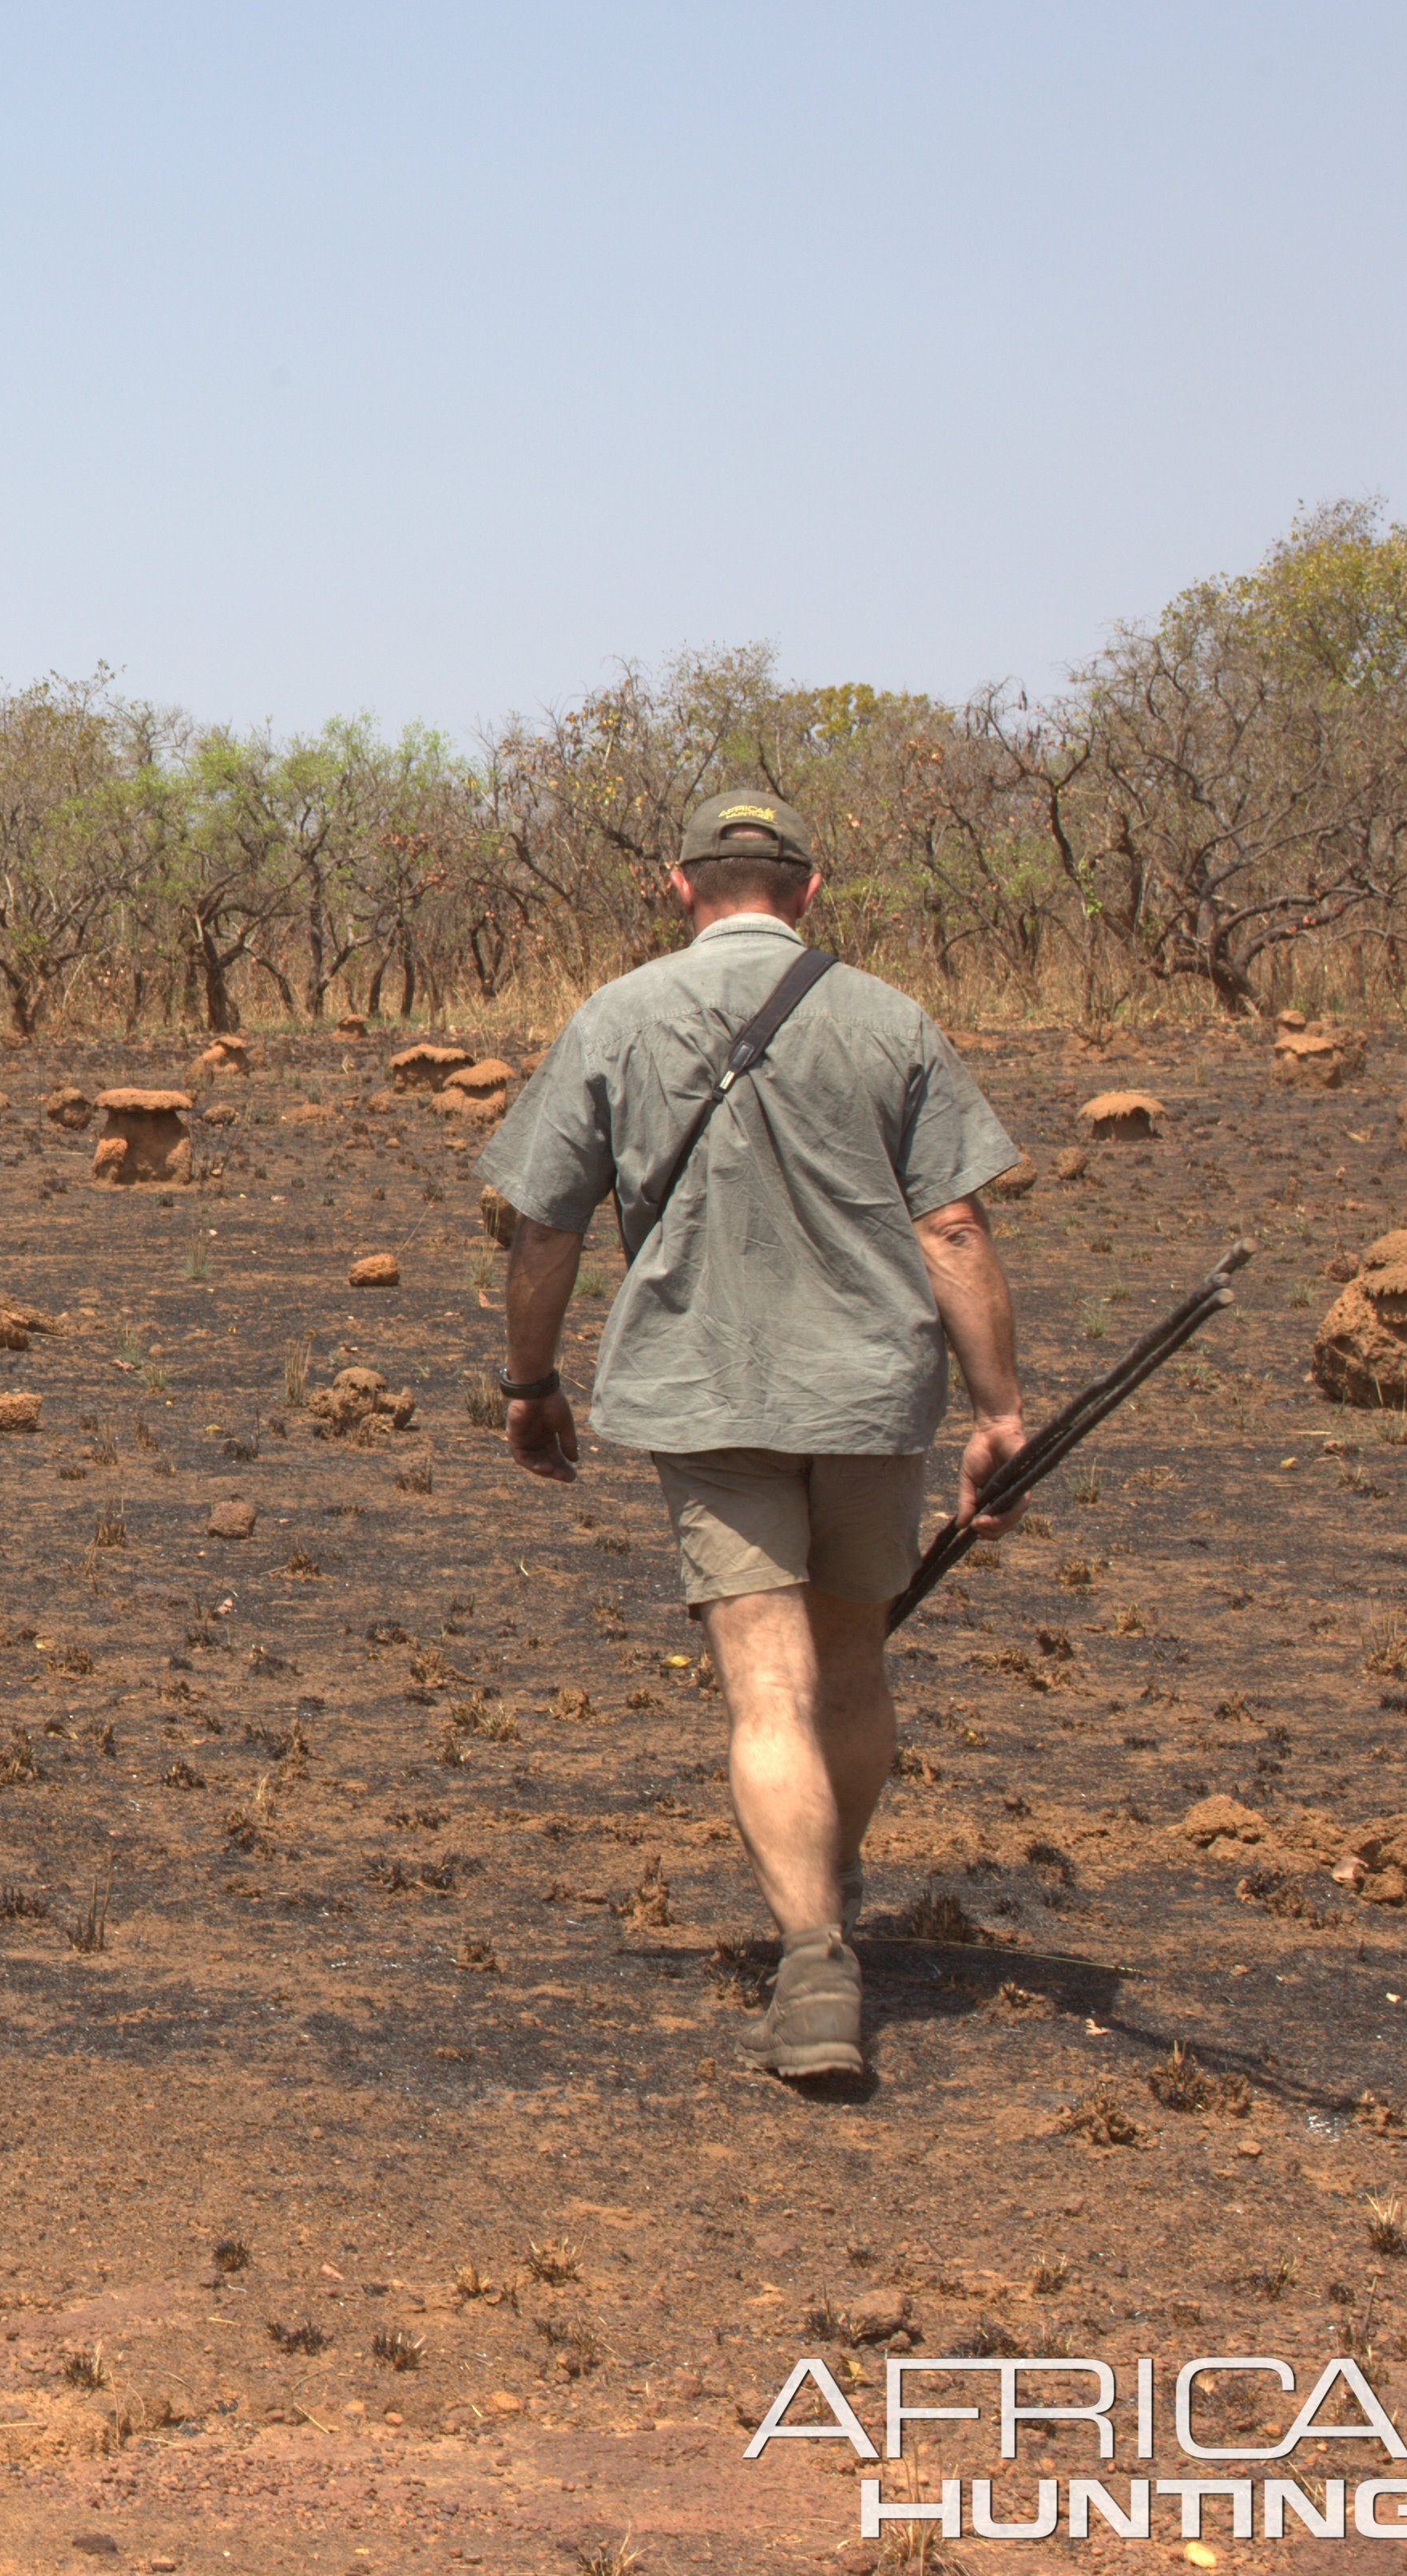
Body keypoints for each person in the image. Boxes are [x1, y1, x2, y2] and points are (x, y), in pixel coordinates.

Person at [477, 786, 1027, 2089]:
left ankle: (812, 1952)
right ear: (806, 888)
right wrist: (999, 1409)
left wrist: (527, 1378)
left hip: (708, 1395)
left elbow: (541, 1228)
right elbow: (950, 1228)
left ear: (678, 887)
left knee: (762, 1686)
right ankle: (823, 1890)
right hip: (867, 1395)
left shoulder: (615, 1016)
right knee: (849, 1668)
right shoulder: (886, 1019)